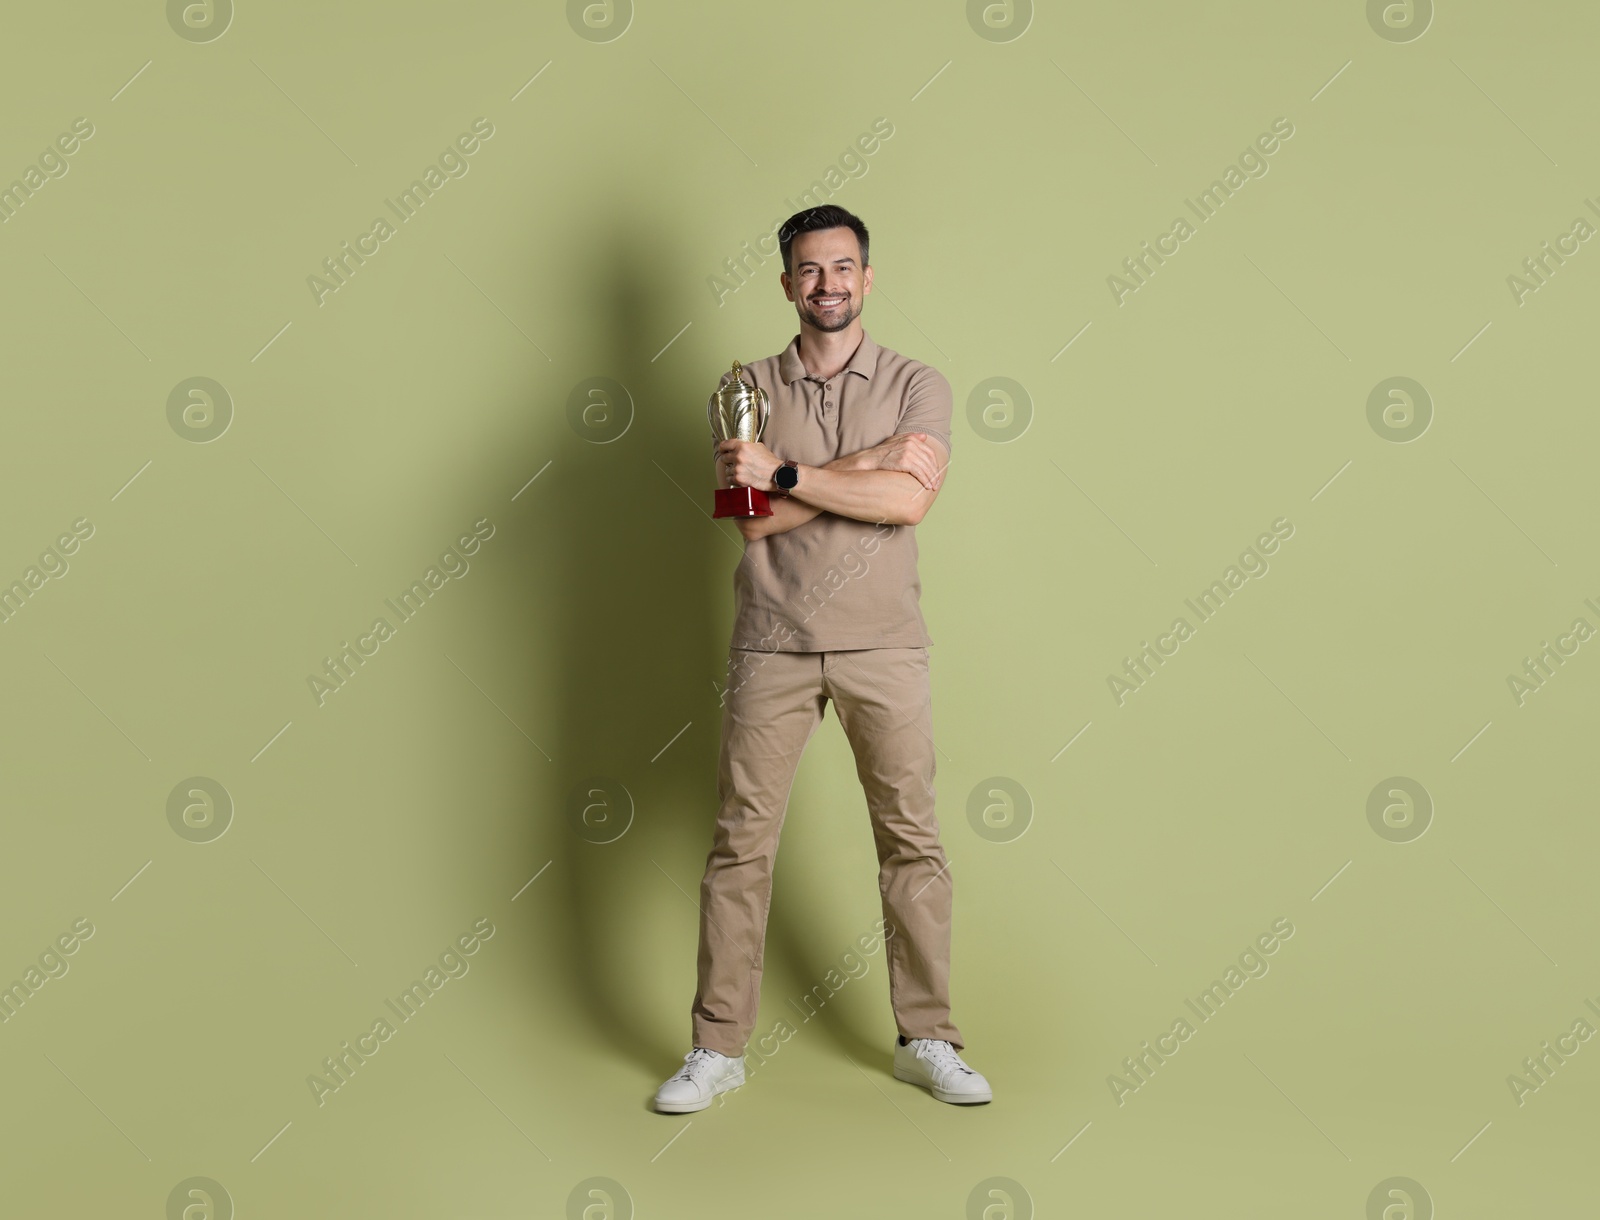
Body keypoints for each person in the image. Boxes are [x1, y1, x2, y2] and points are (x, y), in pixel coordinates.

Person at [653, 204, 991, 1113]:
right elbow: (745, 520)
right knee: (738, 847)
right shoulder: (744, 386)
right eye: (809, 270)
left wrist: (794, 472)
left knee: (912, 841)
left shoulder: (918, 383)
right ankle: (716, 1047)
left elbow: (909, 504)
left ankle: (928, 1038)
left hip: (887, 644)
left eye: (843, 269)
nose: (827, 285)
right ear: (786, 283)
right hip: (772, 643)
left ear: (868, 278)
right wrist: (869, 472)